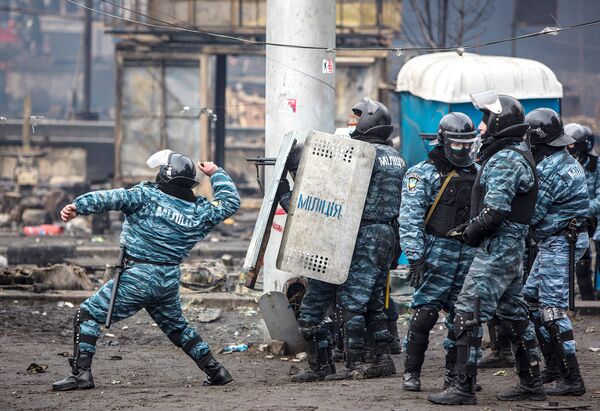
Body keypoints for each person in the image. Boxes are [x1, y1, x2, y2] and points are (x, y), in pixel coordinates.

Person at [52, 152, 241, 391]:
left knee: (88, 314)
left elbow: (112, 197)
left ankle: (81, 375)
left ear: (164, 175)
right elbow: (230, 202)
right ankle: (216, 371)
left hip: (137, 275)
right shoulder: (199, 211)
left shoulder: (146, 196)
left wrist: (78, 206)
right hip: (168, 279)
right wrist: (216, 173)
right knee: (177, 328)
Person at [428, 91, 545, 405]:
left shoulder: (506, 158)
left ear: (498, 121)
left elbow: (495, 212)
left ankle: (463, 388)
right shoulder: (515, 152)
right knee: (514, 314)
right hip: (510, 251)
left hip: (497, 251)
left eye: (484, 120)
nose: (480, 128)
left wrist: (470, 233)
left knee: (467, 312)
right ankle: (533, 383)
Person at [280, 98, 406, 382]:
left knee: (351, 302)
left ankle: (352, 365)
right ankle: (381, 358)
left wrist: (291, 182)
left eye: (356, 119)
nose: (352, 125)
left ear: (369, 122)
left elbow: (330, 193)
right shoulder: (394, 155)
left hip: (360, 233)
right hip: (386, 234)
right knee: (373, 299)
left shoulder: (365, 154)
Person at [399, 112, 479, 392]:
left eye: (468, 144)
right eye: (457, 144)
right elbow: (410, 218)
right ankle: (411, 373)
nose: (464, 150)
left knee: (464, 318)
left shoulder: (478, 173)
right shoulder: (422, 173)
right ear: (444, 141)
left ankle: (455, 376)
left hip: (468, 253)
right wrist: (416, 257)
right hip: (436, 251)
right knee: (425, 313)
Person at [523, 109, 588, 396]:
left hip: (561, 241)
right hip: (561, 239)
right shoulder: (566, 160)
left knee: (551, 308)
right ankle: (553, 367)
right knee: (531, 299)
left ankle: (572, 378)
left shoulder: (549, 169)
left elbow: (533, 215)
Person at [566, 123, 600, 301]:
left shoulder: (597, 164)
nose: (569, 149)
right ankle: (587, 301)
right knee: (581, 261)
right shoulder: (566, 166)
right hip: (577, 221)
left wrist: (583, 209)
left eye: (572, 145)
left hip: (596, 218)